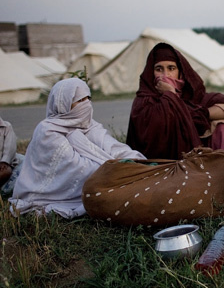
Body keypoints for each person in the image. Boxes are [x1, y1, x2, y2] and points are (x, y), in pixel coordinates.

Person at [9, 78, 146, 218]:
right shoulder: (48, 131)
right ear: (63, 104)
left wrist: (136, 163)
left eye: (88, 98)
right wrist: (120, 170)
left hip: (108, 173)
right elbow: (77, 168)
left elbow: (112, 147)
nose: (86, 104)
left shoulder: (89, 125)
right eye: (80, 100)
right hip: (48, 194)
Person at [126, 42, 224, 187]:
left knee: (221, 126)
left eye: (171, 68)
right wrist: (171, 96)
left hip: (199, 151)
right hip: (167, 163)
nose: (165, 74)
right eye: (159, 69)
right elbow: (156, 131)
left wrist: (200, 113)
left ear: (181, 72)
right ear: (151, 72)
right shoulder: (145, 101)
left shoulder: (192, 95)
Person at [0, 116, 24, 196]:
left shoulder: (6, 127)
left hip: (4, 162)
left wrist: (5, 161)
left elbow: (10, 147)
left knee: (6, 171)